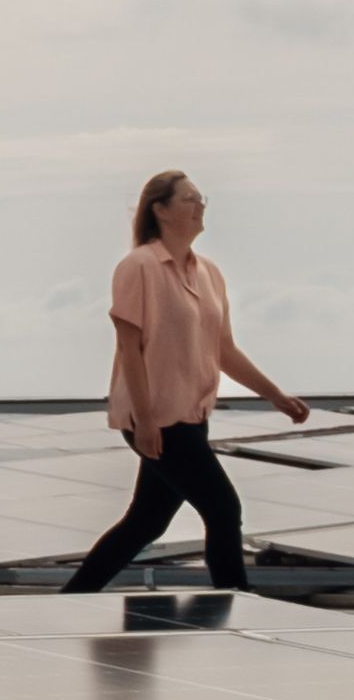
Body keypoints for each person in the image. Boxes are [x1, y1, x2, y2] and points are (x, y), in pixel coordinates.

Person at [71, 167, 310, 595]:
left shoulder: (209, 274)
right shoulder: (138, 266)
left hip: (191, 416)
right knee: (223, 508)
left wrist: (276, 395)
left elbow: (224, 351)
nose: (200, 206)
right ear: (160, 210)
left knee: (145, 523)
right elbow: (131, 349)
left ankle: (72, 598)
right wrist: (144, 420)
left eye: (201, 199)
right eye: (189, 199)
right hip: (156, 419)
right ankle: (235, 601)